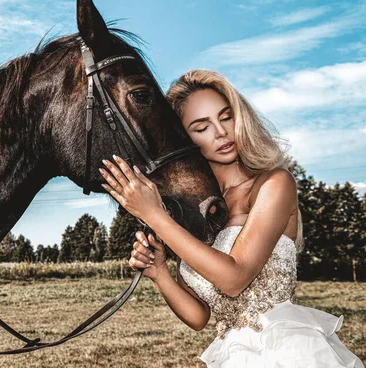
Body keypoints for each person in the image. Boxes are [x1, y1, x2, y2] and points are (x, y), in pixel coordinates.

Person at [98, 69, 363, 367]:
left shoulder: (274, 183)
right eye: (202, 127)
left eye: (226, 117)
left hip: (286, 351)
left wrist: (154, 215)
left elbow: (234, 279)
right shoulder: (194, 215)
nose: (221, 132)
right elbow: (200, 317)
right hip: (233, 356)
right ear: (183, 139)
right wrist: (159, 273)